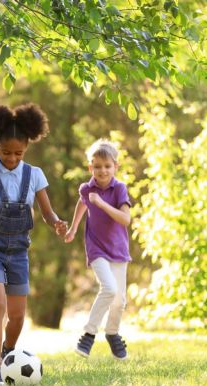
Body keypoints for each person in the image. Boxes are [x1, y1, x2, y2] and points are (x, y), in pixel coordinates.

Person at [0, 104, 68, 386]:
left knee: (17, 317)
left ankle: (7, 353)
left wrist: (56, 222)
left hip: (18, 251)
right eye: (6, 153)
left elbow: (46, 212)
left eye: (18, 153)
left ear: (27, 147)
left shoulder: (35, 175)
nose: (11, 158)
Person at [64, 139, 131, 360]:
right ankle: (88, 334)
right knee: (109, 288)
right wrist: (73, 228)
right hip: (96, 249)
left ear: (115, 167)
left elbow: (125, 219)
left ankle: (112, 333)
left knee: (119, 300)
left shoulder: (119, 188)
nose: (102, 171)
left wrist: (101, 204)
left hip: (118, 250)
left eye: (107, 166)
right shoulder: (87, 188)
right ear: (90, 167)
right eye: (97, 166)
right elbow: (82, 203)